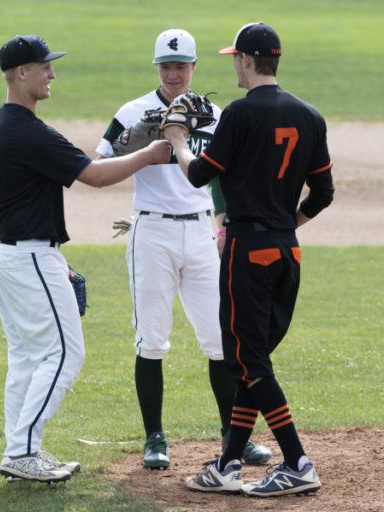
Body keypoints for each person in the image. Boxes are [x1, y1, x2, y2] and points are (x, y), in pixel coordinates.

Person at [0, 34, 171, 483]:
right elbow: (95, 175)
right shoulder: (28, 132)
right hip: (27, 257)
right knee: (66, 353)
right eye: (44, 66)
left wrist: (55, 258)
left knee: (27, 357)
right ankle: (23, 450)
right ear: (21, 73)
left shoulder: (1, 125)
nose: (52, 73)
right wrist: (150, 154)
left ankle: (20, 448)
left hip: (11, 253)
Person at [163, 23, 334, 496]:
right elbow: (323, 193)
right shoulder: (310, 115)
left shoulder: (238, 114)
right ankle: (229, 464)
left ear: (245, 60)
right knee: (248, 360)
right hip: (286, 252)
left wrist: (178, 139)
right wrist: (283, 226)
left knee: (250, 361)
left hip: (245, 252)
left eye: (233, 57)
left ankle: (297, 461)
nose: (232, 64)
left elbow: (199, 174)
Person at [95, 28, 271, 469]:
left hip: (199, 234)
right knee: (152, 339)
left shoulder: (214, 114)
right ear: (156, 67)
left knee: (220, 339)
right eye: (166, 66)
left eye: (181, 66)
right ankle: (155, 438)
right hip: (151, 232)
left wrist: (223, 225)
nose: (173, 74)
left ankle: (235, 436)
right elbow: (96, 165)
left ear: (194, 68)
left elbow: (222, 178)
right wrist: (137, 140)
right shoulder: (132, 111)